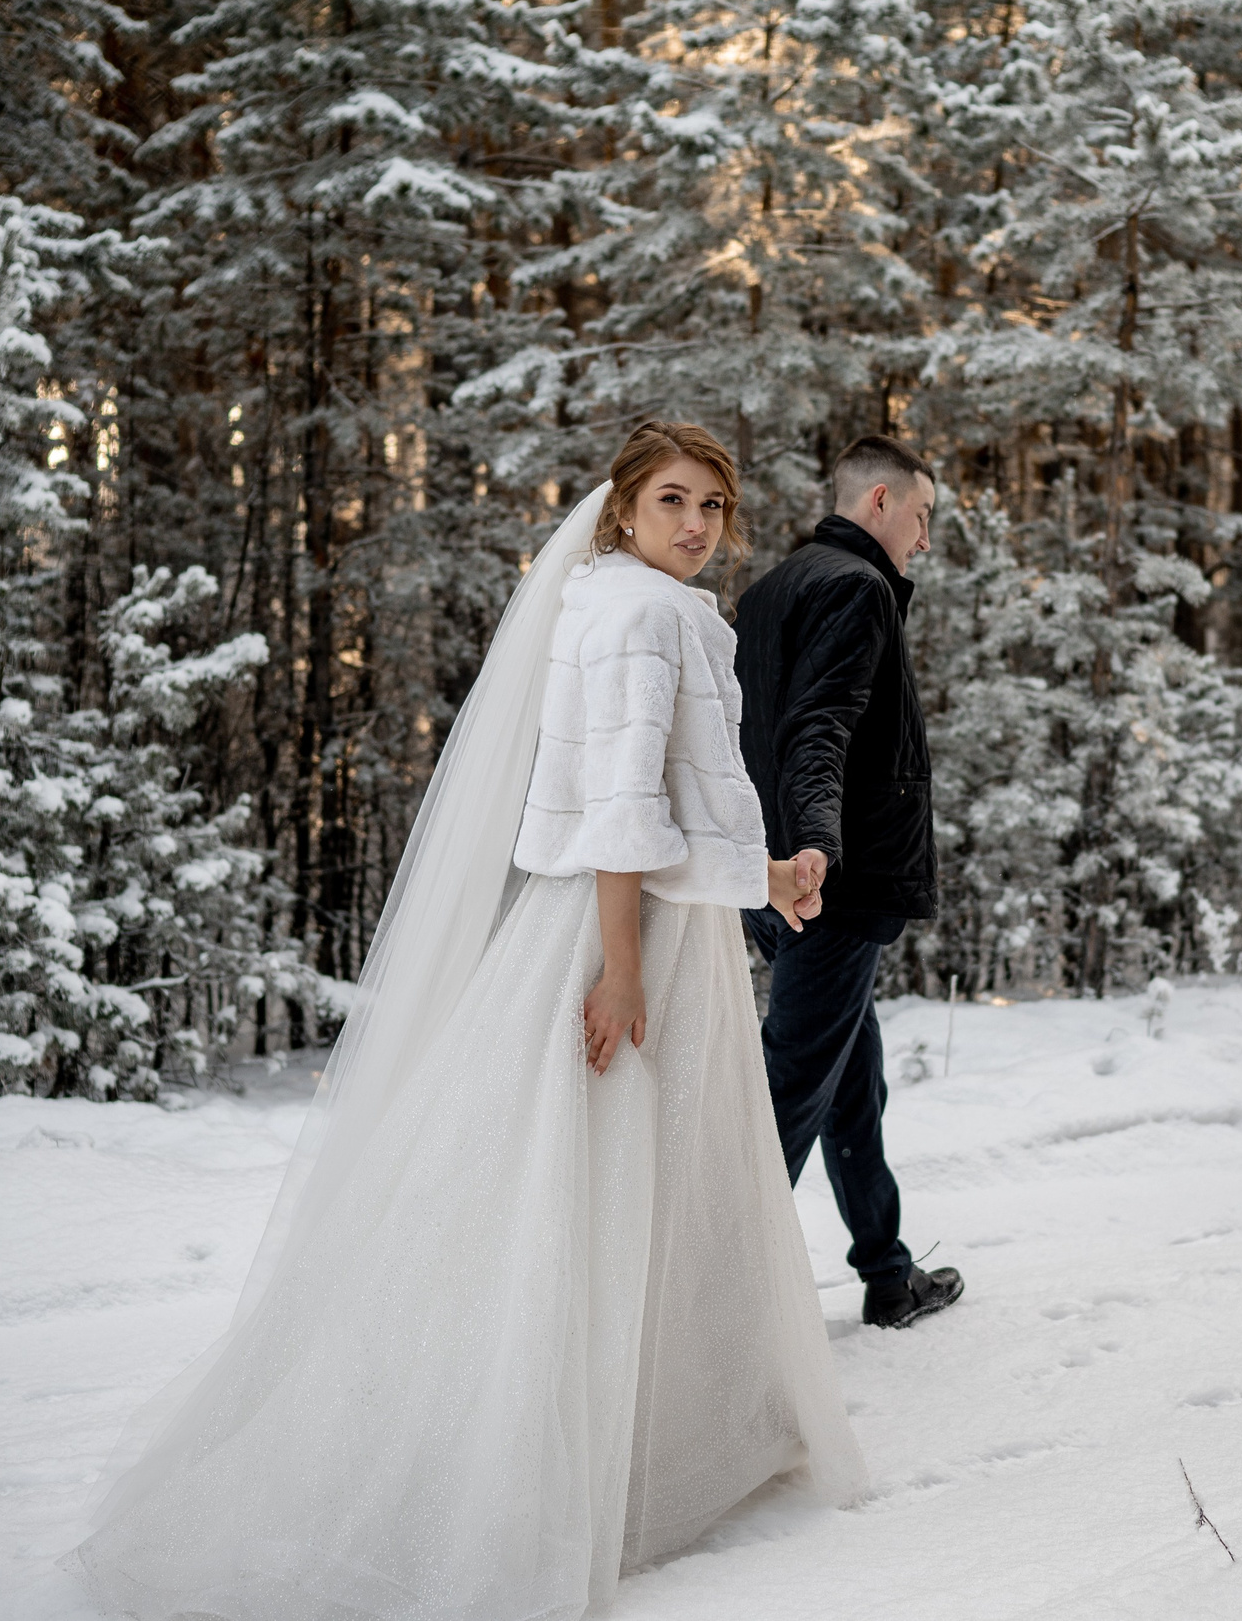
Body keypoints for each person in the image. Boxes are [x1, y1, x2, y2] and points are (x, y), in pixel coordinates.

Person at [70, 423, 864, 1621]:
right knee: (611, 1193)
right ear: (621, 511)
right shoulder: (646, 615)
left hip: (628, 920)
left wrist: (766, 878)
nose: (696, 524)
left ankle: (638, 1435)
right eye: (670, 500)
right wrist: (619, 970)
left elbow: (668, 808)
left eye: (712, 502)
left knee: (597, 1194)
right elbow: (617, 817)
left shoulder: (614, 603)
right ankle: (578, 1466)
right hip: (621, 936)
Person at [733, 435, 965, 1331]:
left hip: (778, 876)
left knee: (850, 1082)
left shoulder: (771, 589)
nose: (926, 539)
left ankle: (888, 1271)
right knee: (790, 1090)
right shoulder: (858, 587)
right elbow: (816, 729)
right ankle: (713, 1310)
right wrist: (818, 849)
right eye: (923, 515)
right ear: (878, 501)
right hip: (828, 886)